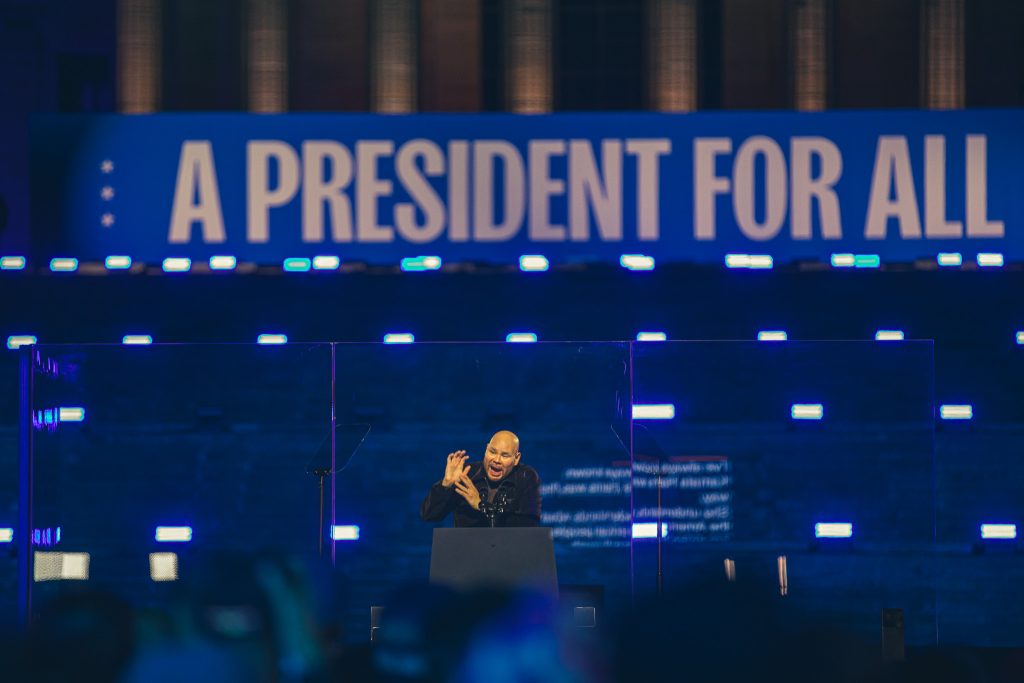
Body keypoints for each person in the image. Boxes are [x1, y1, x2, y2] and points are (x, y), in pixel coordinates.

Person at [420, 430, 541, 527]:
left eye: (505, 455)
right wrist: (445, 485)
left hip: (509, 554)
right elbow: (429, 515)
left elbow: (527, 528)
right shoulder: (467, 474)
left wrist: (480, 505)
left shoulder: (525, 477)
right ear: (486, 449)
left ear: (516, 459)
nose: (497, 460)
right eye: (492, 452)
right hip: (466, 553)